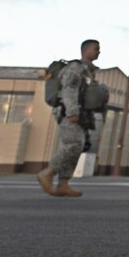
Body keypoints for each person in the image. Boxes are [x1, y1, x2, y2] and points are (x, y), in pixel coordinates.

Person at [38, 39, 99, 198]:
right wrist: (72, 111)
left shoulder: (89, 71)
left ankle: (63, 183)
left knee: (78, 146)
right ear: (86, 50)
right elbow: (69, 89)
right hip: (69, 113)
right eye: (96, 49)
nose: (99, 51)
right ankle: (48, 173)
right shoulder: (75, 68)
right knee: (73, 144)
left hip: (81, 115)